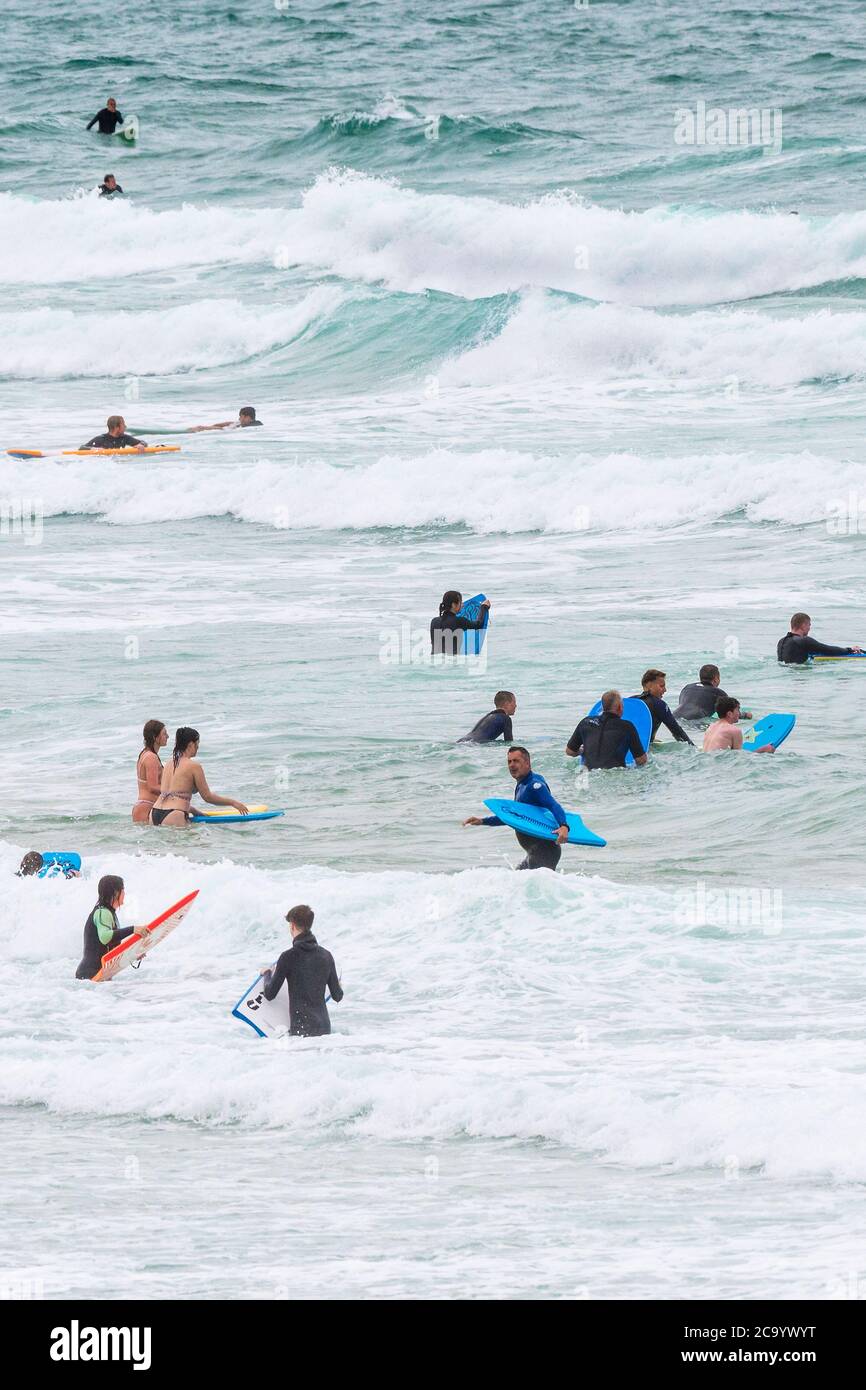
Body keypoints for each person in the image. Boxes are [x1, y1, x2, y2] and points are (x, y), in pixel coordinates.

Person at [463, 745, 569, 871]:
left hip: (544, 852)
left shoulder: (534, 786)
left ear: (527, 764)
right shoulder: (522, 784)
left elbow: (553, 805)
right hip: (534, 853)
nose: (512, 765)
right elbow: (514, 817)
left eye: (516, 761)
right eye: (509, 761)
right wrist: (483, 821)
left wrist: (564, 826)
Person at [260, 905, 343, 1037]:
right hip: (325, 1030)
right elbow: (337, 996)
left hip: (302, 1031)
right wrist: (338, 985)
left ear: (292, 926)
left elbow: (269, 994)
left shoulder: (287, 957)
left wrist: (267, 974)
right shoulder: (326, 956)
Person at [149, 726, 248, 826]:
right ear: (191, 744)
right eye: (197, 744)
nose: (198, 747)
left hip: (154, 812)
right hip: (174, 814)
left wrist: (194, 811)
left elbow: (172, 795)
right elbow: (208, 797)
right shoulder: (194, 766)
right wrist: (233, 803)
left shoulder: (168, 764)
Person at [75, 875, 145, 980]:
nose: (125, 894)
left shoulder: (110, 914)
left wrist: (132, 955)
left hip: (98, 977)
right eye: (123, 890)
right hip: (89, 976)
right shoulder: (102, 912)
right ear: (116, 892)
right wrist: (133, 929)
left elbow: (112, 951)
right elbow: (105, 938)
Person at [565, 689, 648, 768]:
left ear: (602, 707)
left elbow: (570, 751)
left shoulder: (586, 722)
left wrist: (581, 751)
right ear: (620, 707)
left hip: (588, 772)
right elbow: (641, 760)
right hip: (615, 774)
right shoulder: (627, 727)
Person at [632, 669, 693, 745]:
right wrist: (692, 748)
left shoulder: (631, 700)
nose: (665, 690)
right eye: (661, 686)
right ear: (649, 685)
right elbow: (677, 731)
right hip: (643, 750)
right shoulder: (659, 704)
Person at [674, 665, 752, 722]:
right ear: (715, 679)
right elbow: (731, 714)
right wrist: (746, 715)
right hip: (696, 719)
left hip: (675, 716)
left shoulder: (687, 688)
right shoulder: (718, 693)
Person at [776, 613, 862, 664]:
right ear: (803, 625)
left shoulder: (781, 641)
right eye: (809, 625)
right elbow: (828, 649)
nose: (809, 628)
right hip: (798, 675)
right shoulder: (803, 640)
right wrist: (849, 649)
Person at [703, 697, 774, 753]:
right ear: (729, 714)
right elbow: (739, 760)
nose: (739, 713)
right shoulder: (734, 730)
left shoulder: (711, 727)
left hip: (706, 764)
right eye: (738, 710)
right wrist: (763, 750)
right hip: (718, 766)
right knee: (768, 748)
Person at [430, 590, 491, 655]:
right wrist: (483, 607)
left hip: (434, 660)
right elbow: (479, 625)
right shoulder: (459, 621)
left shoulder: (434, 621)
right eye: (460, 603)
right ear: (453, 605)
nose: (462, 605)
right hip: (452, 661)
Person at [133, 719, 167, 823]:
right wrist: (173, 791)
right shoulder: (151, 757)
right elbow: (152, 787)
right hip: (147, 808)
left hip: (144, 807)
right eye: (164, 734)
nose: (168, 736)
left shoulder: (145, 754)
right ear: (154, 737)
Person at [80, 416, 147, 451]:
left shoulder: (125, 438)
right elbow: (81, 448)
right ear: (116, 428)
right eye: (123, 425)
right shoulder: (101, 439)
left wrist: (141, 445)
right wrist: (95, 449)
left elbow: (144, 443)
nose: (125, 427)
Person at [186, 407, 263, 432]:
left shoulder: (253, 426)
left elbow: (223, 429)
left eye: (241, 417)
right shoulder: (250, 423)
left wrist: (203, 428)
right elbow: (228, 425)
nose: (239, 419)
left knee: (220, 428)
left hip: (230, 431)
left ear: (247, 417)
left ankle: (198, 428)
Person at [16, 851, 80, 879]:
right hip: (75, 857)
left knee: (72, 874)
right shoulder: (45, 855)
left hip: (74, 864)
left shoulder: (43, 873)